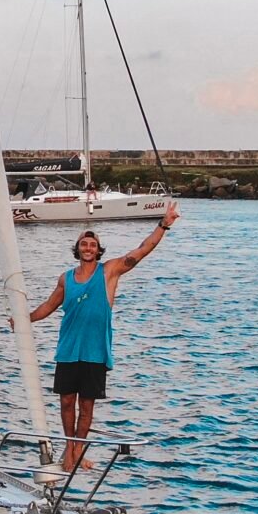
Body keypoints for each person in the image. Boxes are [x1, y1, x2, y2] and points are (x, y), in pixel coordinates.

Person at [18, 201, 180, 472]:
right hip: (69, 350)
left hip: (95, 351)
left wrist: (164, 224)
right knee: (67, 401)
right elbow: (48, 306)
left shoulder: (109, 271)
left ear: (98, 249)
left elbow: (141, 251)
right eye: (84, 244)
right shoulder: (65, 279)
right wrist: (23, 319)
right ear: (78, 249)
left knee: (87, 405)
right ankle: (70, 450)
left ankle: (77, 452)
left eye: (92, 245)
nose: (88, 248)